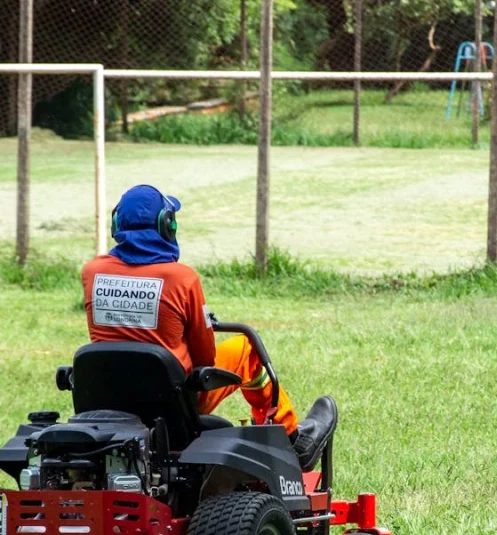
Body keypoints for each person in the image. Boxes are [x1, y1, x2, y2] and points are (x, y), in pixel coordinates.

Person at [81, 184, 337, 471]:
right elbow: (205, 358)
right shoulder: (182, 279)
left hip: (109, 400)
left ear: (117, 225)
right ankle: (291, 438)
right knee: (244, 349)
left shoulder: (92, 272)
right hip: (174, 402)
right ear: (168, 226)